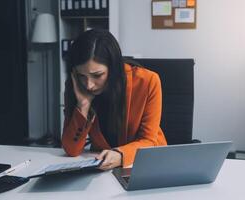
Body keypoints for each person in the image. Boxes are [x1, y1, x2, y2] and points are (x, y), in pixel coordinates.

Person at [61, 29, 167, 170]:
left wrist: (121, 155)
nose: (89, 85)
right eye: (81, 75)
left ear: (113, 67)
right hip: (104, 167)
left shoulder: (147, 82)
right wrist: (83, 106)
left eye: (97, 75)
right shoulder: (76, 86)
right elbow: (71, 149)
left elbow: (148, 141)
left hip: (147, 164)